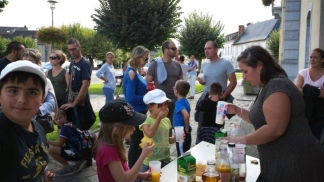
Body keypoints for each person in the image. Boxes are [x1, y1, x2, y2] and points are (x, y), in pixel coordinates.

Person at [225, 46, 324, 181]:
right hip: (278, 161)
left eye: (245, 71)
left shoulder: (277, 86)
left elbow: (275, 128)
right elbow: (261, 119)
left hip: (294, 163)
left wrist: (241, 141)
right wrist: (237, 110)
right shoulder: (266, 85)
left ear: (260, 66)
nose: (244, 76)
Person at [0, 60, 55, 181]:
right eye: (13, 91)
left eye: (32, 92)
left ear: (42, 98)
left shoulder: (38, 127)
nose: (22, 100)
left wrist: (43, 175)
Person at [93, 99, 154, 182]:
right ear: (116, 130)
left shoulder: (111, 143)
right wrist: (143, 156)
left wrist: (142, 175)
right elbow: (124, 180)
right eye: (130, 126)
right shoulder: (109, 150)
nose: (134, 129)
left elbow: (123, 171)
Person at [195, 41, 237, 143]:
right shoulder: (204, 65)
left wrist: (224, 96)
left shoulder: (225, 63)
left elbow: (233, 82)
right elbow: (203, 82)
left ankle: (217, 147)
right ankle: (201, 147)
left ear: (216, 50)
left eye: (209, 48)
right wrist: (201, 81)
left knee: (218, 127)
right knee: (202, 125)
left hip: (219, 101)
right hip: (206, 99)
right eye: (205, 49)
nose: (206, 51)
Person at [146, 41, 183, 131]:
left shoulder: (177, 65)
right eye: (173, 48)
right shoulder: (155, 64)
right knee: (158, 128)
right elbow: (147, 82)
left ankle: (167, 145)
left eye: (176, 48)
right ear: (166, 50)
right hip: (159, 104)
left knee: (169, 128)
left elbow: (181, 82)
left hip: (174, 101)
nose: (175, 50)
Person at [61, 38, 96, 131]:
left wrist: (74, 103)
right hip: (72, 96)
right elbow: (70, 77)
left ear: (79, 48)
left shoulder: (84, 63)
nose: (72, 52)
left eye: (74, 49)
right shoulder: (72, 62)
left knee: (82, 127)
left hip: (80, 100)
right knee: (72, 125)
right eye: (70, 50)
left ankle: (86, 144)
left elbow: (85, 84)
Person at [123, 45, 149, 168]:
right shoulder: (132, 73)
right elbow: (130, 98)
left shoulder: (135, 71)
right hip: (136, 113)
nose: (146, 61)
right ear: (138, 57)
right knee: (135, 143)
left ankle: (136, 169)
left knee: (138, 142)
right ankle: (132, 171)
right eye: (145, 58)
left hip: (141, 111)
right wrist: (147, 97)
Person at [139, 89, 176, 172]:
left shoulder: (167, 120)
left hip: (165, 159)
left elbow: (167, 139)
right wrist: (159, 118)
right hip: (150, 163)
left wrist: (175, 139)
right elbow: (149, 134)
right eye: (160, 105)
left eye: (165, 104)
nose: (164, 107)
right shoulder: (146, 121)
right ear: (150, 107)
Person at [47, 109, 89, 176]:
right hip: (81, 150)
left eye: (61, 118)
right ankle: (78, 161)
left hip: (78, 153)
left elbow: (59, 144)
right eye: (56, 119)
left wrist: (47, 140)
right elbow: (62, 144)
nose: (59, 120)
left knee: (51, 150)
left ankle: (68, 168)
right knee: (58, 148)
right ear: (54, 121)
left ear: (65, 117)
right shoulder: (68, 124)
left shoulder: (64, 129)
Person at [295, 48, 324, 140]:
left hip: (319, 114)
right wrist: (317, 90)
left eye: (315, 57)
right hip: (302, 112)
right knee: (300, 138)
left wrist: (306, 89)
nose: (312, 59)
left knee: (314, 139)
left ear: (322, 59)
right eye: (311, 57)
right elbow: (297, 89)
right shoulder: (303, 72)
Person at [22, 48, 57, 122]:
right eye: (24, 61)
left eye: (30, 61)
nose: (27, 63)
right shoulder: (14, 80)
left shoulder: (45, 81)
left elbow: (51, 103)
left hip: (35, 122)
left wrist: (37, 110)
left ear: (37, 63)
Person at [173, 80, 191, 156]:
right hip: (183, 131)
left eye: (174, 87)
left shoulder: (179, 103)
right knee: (185, 151)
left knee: (181, 154)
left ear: (176, 91)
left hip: (181, 131)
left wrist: (186, 127)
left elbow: (186, 115)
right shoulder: (185, 101)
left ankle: (182, 166)